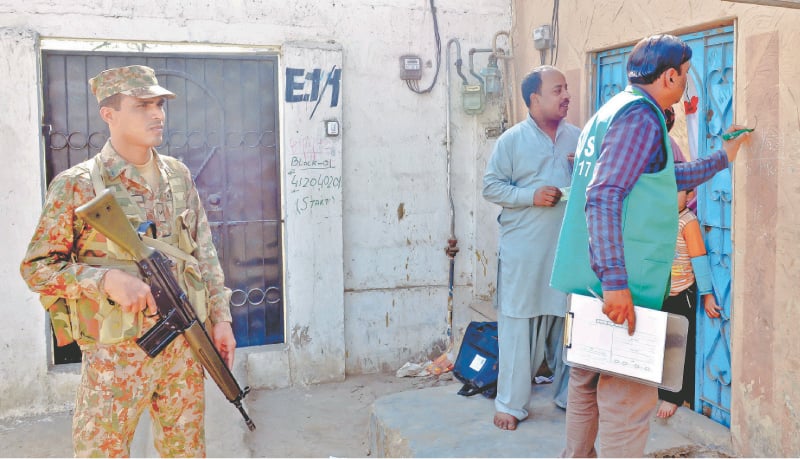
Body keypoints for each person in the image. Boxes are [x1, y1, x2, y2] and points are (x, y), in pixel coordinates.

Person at [550, 34, 751, 457]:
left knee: (585, 385)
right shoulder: (640, 117)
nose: (686, 85)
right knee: (626, 399)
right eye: (685, 77)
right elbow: (604, 195)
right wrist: (616, 283)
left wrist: (723, 157)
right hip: (623, 287)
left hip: (590, 279)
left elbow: (661, 180)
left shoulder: (612, 111)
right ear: (671, 75)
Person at [20, 65, 235, 457]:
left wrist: (221, 319)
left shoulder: (178, 176)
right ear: (109, 114)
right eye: (142, 106)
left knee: (186, 451)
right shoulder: (78, 184)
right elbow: (37, 267)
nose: (157, 114)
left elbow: (204, 253)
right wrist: (105, 282)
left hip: (185, 348)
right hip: (115, 360)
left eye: (159, 104)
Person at [482, 65, 580, 431]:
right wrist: (530, 196)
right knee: (518, 325)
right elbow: (491, 187)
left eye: (566, 88)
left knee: (570, 325)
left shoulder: (578, 138)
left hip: (565, 251)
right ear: (534, 99)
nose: (566, 95)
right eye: (558, 90)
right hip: (524, 252)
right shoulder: (511, 141)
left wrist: (580, 170)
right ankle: (510, 404)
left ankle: (570, 397)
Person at [656, 187, 722, 419]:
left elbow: (699, 259)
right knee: (661, 345)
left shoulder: (687, 221)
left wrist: (707, 294)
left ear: (690, 195)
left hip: (682, 295)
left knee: (678, 347)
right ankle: (664, 390)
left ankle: (674, 397)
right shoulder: (658, 217)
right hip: (660, 294)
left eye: (678, 191)